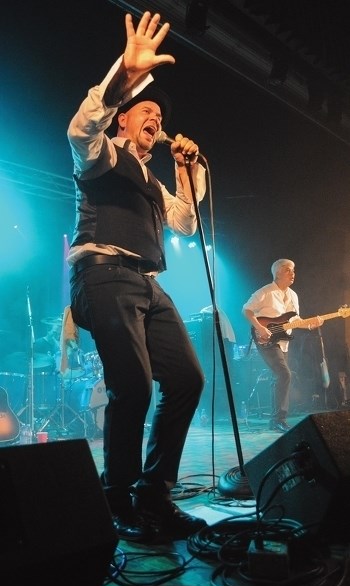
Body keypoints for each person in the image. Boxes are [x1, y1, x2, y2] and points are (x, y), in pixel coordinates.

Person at [66, 11, 207, 542]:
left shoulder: (152, 178)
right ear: (122, 119)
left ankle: (154, 492)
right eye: (144, 110)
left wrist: (186, 168)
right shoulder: (99, 153)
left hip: (147, 283)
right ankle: (116, 494)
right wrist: (123, 75)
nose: (154, 117)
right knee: (132, 387)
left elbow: (186, 222)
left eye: (158, 114)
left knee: (187, 379)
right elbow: (81, 126)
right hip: (103, 275)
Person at [242, 258, 323, 433]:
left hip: (283, 342)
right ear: (278, 272)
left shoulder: (293, 295)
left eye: (293, 270)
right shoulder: (265, 292)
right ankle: (279, 419)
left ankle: (274, 420)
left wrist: (310, 324)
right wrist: (260, 327)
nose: (293, 273)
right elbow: (246, 309)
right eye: (288, 270)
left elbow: (295, 320)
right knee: (284, 374)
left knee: (278, 377)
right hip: (266, 340)